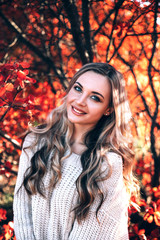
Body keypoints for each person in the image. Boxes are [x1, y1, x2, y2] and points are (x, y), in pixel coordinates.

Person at [13, 62, 138, 240]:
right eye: (78, 89)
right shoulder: (35, 142)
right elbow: (22, 209)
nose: (80, 101)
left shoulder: (107, 164)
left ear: (108, 109)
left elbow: (89, 233)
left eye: (95, 98)